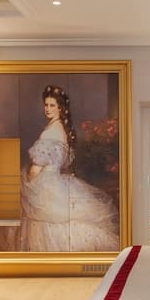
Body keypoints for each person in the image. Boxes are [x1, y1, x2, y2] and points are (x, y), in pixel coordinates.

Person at [19, 84, 120, 251]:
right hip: (58, 182)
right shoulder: (62, 130)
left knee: (44, 221)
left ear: (60, 108)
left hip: (46, 185)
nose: (48, 109)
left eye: (52, 105)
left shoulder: (49, 133)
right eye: (46, 105)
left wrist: (28, 180)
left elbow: (35, 170)